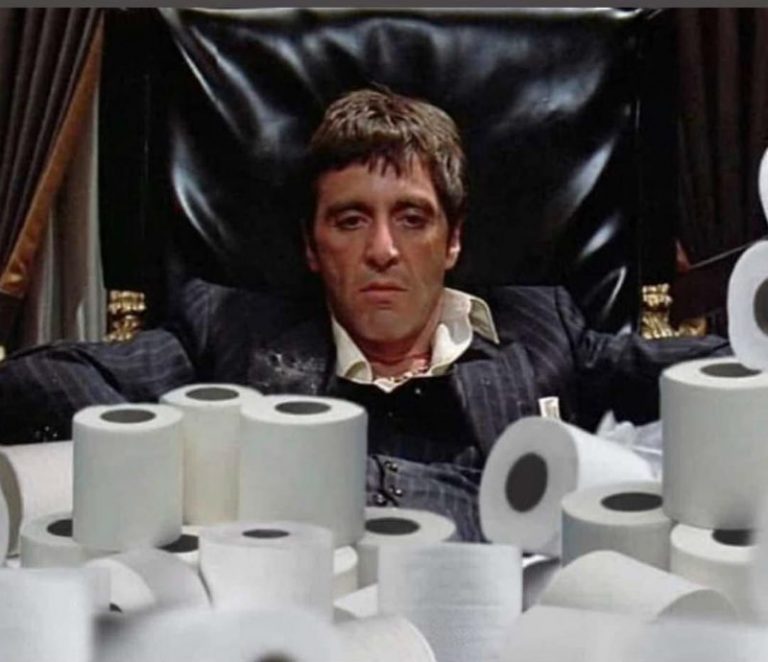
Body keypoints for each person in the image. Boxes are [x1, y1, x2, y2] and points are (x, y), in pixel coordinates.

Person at [0, 88, 728, 540]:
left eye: (412, 218)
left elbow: (723, 377)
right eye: (350, 221)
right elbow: (39, 380)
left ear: (453, 240)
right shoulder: (230, 331)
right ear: (312, 247)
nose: (382, 250)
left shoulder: (543, 334)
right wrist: (192, 462)